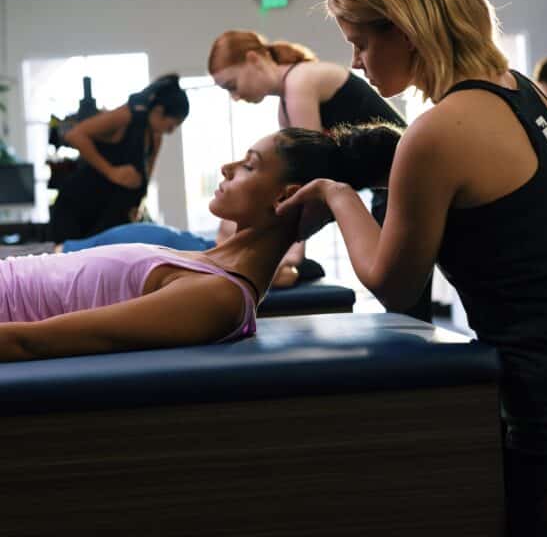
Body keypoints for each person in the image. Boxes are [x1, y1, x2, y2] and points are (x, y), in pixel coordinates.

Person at [274, 0, 547, 534]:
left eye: (360, 40)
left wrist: (338, 195)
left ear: (406, 26)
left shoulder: (435, 133)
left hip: (546, 404)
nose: (355, 62)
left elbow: (395, 285)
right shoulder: (524, 94)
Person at [0, 123, 401, 362]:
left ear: (283, 196)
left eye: (249, 165)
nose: (227, 167)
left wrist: (336, 194)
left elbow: (32, 341)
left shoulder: (220, 296)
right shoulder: (207, 263)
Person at [208, 29, 433, 321]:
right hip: (384, 183)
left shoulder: (300, 82)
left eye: (232, 85)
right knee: (403, 301)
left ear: (253, 59)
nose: (236, 97)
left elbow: (310, 178)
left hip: (401, 181)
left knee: (405, 302)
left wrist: (288, 256)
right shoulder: (287, 101)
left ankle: (423, 361)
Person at [48, 74, 190, 244]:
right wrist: (111, 172)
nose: (171, 131)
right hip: (77, 211)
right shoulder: (126, 116)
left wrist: (137, 205)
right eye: (171, 125)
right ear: (159, 111)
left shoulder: (156, 137)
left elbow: (145, 180)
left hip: (109, 218)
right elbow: (75, 135)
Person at [56, 219, 312, 289]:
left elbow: (286, 273)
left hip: (60, 264)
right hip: (62, 253)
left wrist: (291, 256)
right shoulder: (208, 245)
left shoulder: (224, 264)